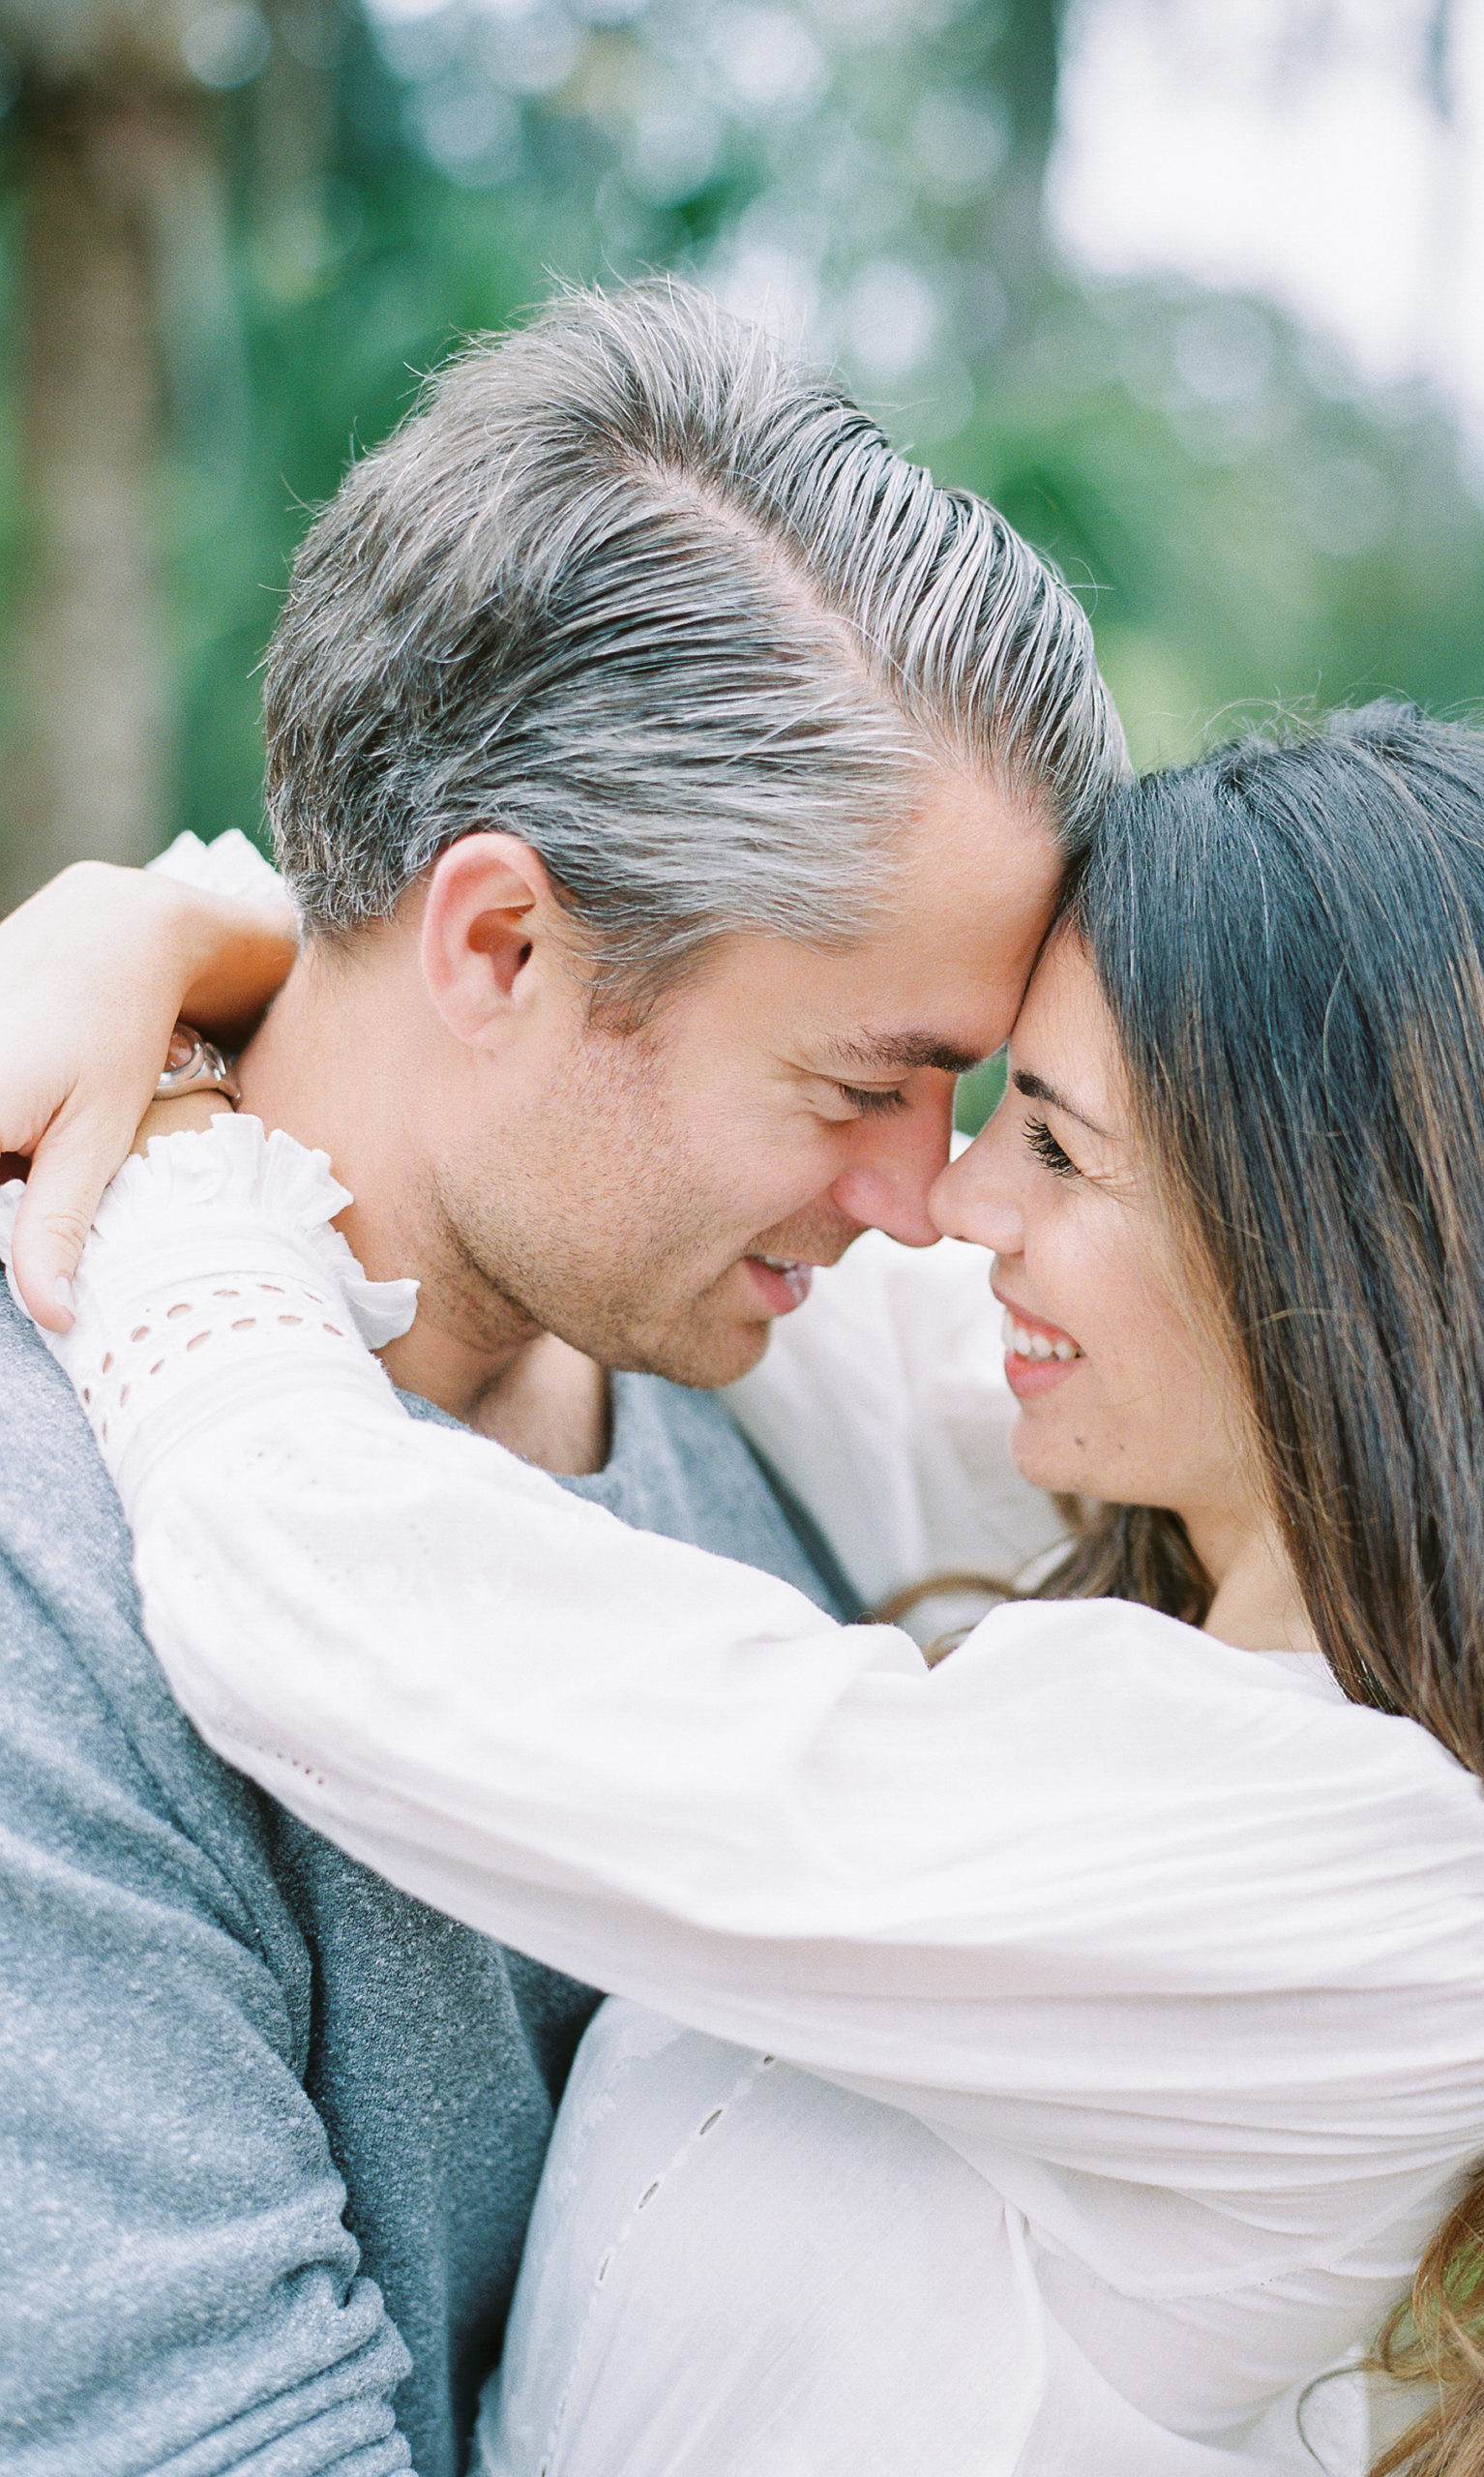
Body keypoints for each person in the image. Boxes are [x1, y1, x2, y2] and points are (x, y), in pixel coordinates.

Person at [10, 706, 1484, 2476]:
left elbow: (331, 1605)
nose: (951, 1201)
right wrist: (175, 924)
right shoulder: (1183, 1507)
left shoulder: (1386, 1892)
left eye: (1056, 1141)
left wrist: (173, 1140)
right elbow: (589, 1132)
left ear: (1371, 1244)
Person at [0, 277, 1123, 2476]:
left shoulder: (763, 1391)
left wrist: (187, 930)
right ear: (502, 941)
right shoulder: (47, 1571)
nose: (927, 1200)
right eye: (863, 1081)